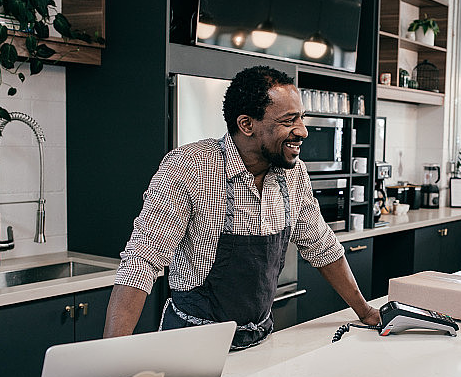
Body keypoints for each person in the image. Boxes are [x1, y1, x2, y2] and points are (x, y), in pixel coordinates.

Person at [104, 66, 380, 348]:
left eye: (302, 118)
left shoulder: (294, 174)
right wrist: (110, 356)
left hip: (261, 340)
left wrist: (366, 311)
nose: (303, 131)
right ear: (247, 124)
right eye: (289, 121)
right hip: (190, 345)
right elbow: (142, 260)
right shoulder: (190, 167)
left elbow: (322, 247)